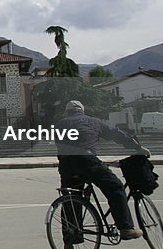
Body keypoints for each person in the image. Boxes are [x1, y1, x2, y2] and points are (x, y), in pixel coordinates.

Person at [54, 100, 150, 240]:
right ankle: (125, 228)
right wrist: (138, 148)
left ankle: (71, 242)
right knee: (115, 187)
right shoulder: (94, 121)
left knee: (70, 199)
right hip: (87, 161)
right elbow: (117, 134)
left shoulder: (60, 123)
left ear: (67, 112)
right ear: (82, 111)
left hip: (66, 164)